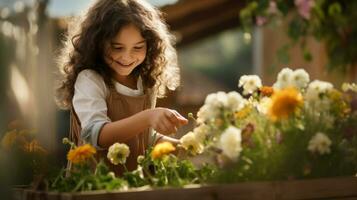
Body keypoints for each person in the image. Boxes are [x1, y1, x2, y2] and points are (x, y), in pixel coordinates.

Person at [55, 0, 188, 174]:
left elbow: (142, 137)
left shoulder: (146, 82)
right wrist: (148, 117)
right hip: (94, 186)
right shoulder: (90, 80)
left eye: (138, 47)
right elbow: (97, 136)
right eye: (117, 47)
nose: (127, 56)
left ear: (150, 46)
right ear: (96, 42)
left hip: (134, 186)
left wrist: (187, 145)